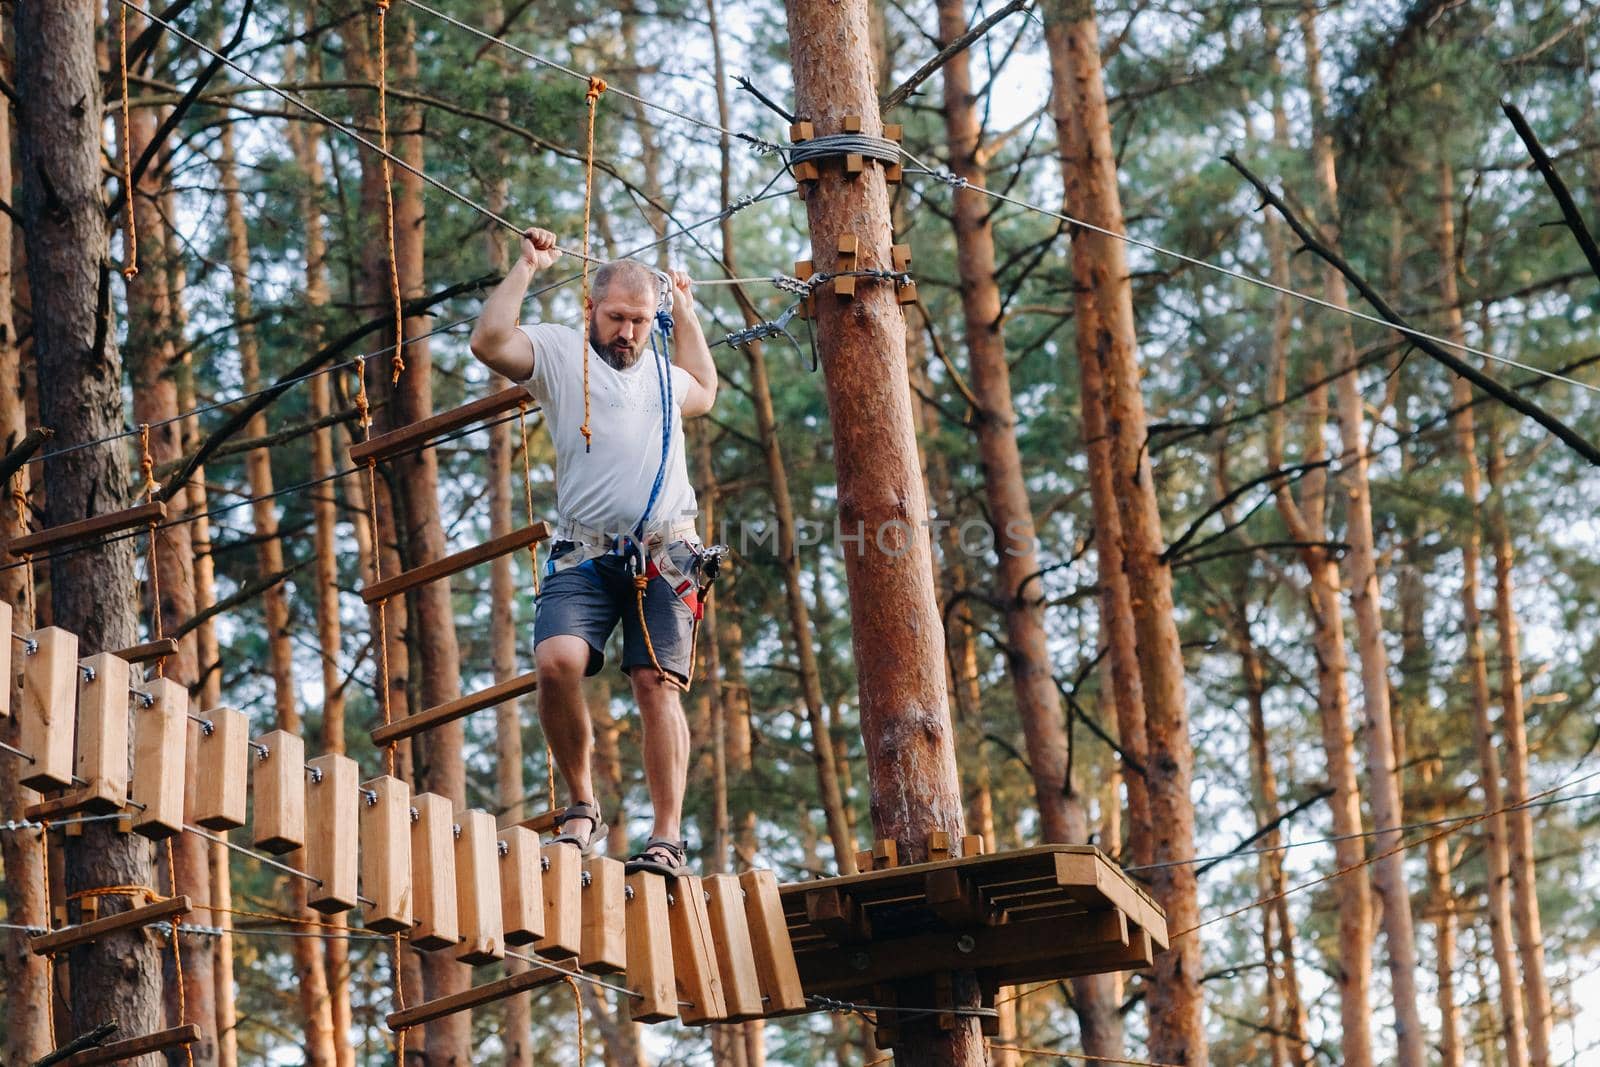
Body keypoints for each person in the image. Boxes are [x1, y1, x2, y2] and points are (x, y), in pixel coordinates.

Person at [469, 227, 718, 877]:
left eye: (640, 321)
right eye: (616, 318)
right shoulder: (557, 352)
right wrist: (527, 266)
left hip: (667, 554)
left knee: (653, 682)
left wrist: (684, 310)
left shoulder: (665, 377)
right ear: (591, 308)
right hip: (583, 551)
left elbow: (707, 387)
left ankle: (666, 836)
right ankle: (582, 804)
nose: (628, 333)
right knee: (556, 662)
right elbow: (489, 341)